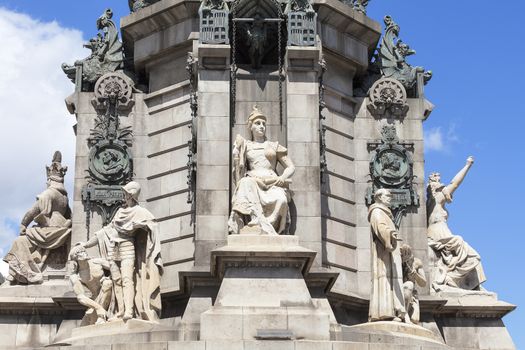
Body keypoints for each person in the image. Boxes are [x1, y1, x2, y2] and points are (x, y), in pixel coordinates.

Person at [70, 181, 163, 322]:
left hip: (127, 247)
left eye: (126, 193)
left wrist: (140, 225)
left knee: (127, 280)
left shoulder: (140, 212)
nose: (124, 196)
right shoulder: (120, 212)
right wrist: (86, 244)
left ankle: (129, 311)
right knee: (116, 281)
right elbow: (105, 231)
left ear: (131, 195)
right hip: (114, 249)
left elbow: (153, 225)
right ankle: (120, 311)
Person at [3, 151, 72, 284]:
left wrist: (23, 225)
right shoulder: (64, 197)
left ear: (50, 179)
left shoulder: (48, 193)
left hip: (50, 230)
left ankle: (21, 274)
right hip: (60, 230)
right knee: (26, 238)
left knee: (19, 241)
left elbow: (33, 211)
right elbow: (70, 216)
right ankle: (15, 274)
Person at [228, 106, 295, 235]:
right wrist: (236, 152)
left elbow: (291, 166)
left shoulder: (273, 145)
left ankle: (268, 227)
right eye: (257, 123)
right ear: (251, 127)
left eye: (263, 124)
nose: (261, 126)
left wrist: (282, 177)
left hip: (272, 182)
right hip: (254, 181)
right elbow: (239, 171)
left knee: (281, 199)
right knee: (245, 183)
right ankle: (255, 220)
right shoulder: (246, 145)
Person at [426, 156, 486, 291]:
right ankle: (454, 280)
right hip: (439, 233)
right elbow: (455, 183)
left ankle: (469, 284)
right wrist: (467, 165)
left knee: (468, 253)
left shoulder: (430, 203)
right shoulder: (436, 200)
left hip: (437, 232)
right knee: (470, 252)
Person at [368, 188, 406, 322]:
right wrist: (389, 235)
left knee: (389, 279)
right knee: (383, 278)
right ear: (378, 197)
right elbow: (380, 227)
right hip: (383, 253)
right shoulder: (377, 211)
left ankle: (392, 310)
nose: (390, 198)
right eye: (387, 196)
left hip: (388, 253)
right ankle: (384, 312)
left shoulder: (385, 213)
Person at [69, 245, 113, 326]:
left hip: (111, 293)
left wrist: (109, 277)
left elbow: (115, 269)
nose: (83, 253)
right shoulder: (76, 276)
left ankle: (101, 317)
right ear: (76, 258)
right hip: (96, 299)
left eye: (83, 251)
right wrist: (98, 308)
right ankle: (100, 313)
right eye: (79, 252)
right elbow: (80, 297)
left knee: (107, 283)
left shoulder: (97, 262)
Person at [400, 244, 426, 324]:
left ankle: (406, 311)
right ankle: (404, 313)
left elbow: (423, 283)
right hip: (398, 290)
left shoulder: (417, 262)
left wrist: (416, 275)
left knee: (415, 320)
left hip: (411, 294)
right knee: (408, 284)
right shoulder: (396, 261)